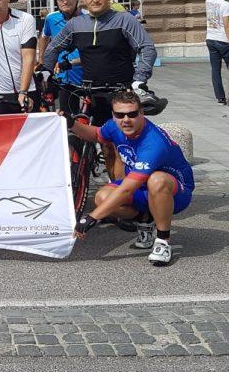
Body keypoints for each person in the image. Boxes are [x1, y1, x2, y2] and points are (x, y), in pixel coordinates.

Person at [43, 0, 158, 179]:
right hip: (91, 92)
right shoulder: (76, 25)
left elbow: (147, 48)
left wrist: (139, 79)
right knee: (97, 141)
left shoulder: (124, 20)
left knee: (116, 148)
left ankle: (122, 191)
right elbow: (53, 47)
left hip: (120, 93)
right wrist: (45, 70)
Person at [70, 90, 194, 267]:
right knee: (102, 198)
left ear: (141, 113)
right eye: (120, 115)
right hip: (141, 187)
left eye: (132, 114)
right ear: (113, 115)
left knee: (156, 180)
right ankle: (145, 218)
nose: (126, 119)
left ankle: (163, 241)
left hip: (175, 192)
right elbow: (97, 134)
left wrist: (91, 218)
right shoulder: (115, 126)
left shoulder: (153, 142)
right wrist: (71, 123)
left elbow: (127, 188)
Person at [37, 0, 84, 116]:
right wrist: (42, 60)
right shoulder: (51, 18)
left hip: (85, 72)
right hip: (63, 74)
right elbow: (44, 36)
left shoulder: (87, 17)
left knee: (92, 116)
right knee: (67, 115)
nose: (65, 1)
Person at [204, 0, 229, 105]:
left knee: (215, 70)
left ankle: (220, 97)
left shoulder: (208, 2)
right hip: (222, 40)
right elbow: (227, 25)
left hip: (210, 38)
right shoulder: (226, 5)